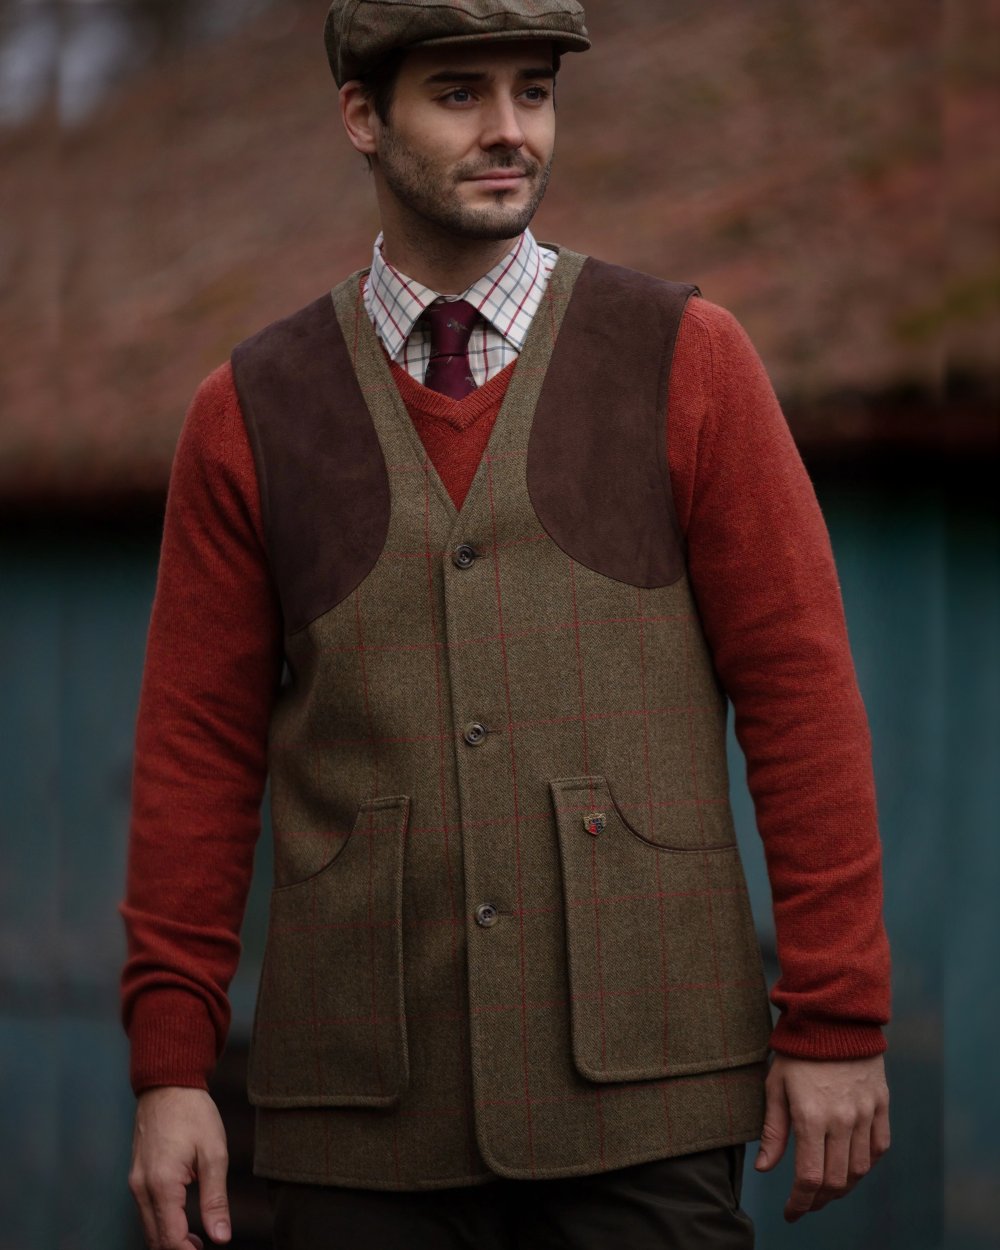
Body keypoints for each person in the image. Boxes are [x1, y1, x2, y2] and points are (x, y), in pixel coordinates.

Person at [120, 2, 892, 1247]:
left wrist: (838, 1016)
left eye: (532, 91)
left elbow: (802, 696)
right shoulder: (249, 410)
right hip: (360, 1106)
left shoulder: (687, 358)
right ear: (364, 118)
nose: (509, 131)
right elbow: (192, 757)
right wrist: (169, 1065)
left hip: (646, 1087)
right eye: (461, 94)